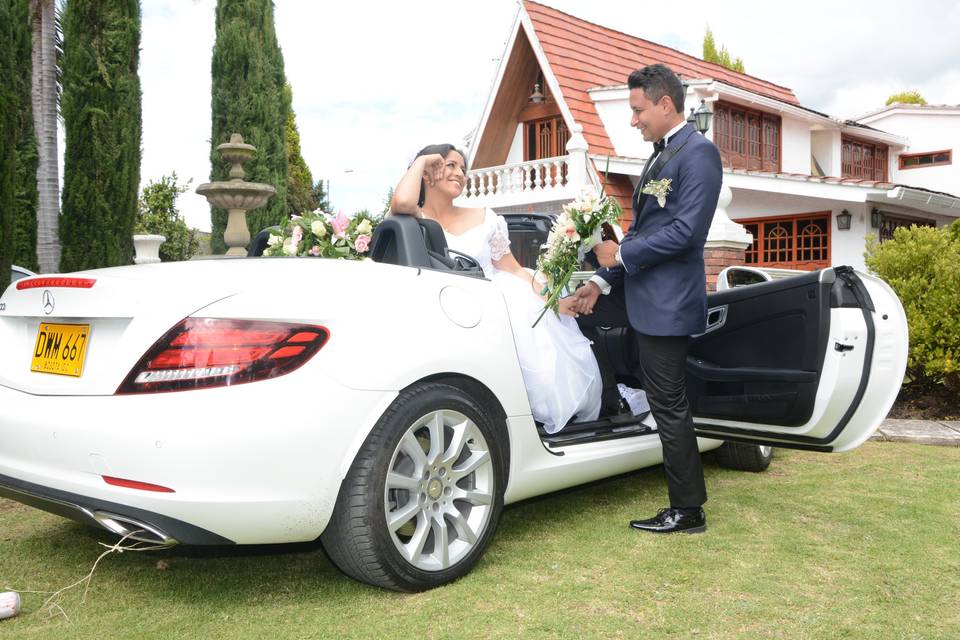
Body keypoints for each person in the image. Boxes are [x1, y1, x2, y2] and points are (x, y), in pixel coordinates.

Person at [573, 64, 723, 534]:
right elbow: (642, 229)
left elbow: (685, 233)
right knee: (574, 313)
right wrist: (600, 282)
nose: (633, 120)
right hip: (639, 294)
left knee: (668, 403)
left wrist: (622, 254)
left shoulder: (698, 154)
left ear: (664, 104)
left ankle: (688, 510)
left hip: (668, 304)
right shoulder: (659, 158)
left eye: (638, 110)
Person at [389, 144, 602, 434]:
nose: (459, 173)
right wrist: (424, 159)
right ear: (429, 173)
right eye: (450, 165)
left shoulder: (485, 216)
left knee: (535, 356)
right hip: (447, 307)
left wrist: (554, 303)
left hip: (497, 301)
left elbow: (513, 269)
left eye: (463, 169)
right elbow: (401, 201)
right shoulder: (415, 217)